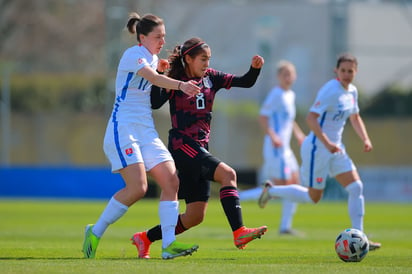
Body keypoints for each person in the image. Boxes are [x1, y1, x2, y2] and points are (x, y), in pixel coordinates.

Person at [130, 37, 268, 259]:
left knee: (194, 216)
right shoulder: (176, 80)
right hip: (182, 146)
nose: (206, 63)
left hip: (199, 149)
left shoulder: (211, 78)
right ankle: (239, 231)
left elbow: (246, 81)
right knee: (228, 174)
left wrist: (255, 69)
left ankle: (144, 238)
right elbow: (155, 103)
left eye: (208, 59)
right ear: (188, 58)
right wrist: (162, 74)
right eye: (202, 59)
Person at [82, 12, 202, 260]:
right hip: (123, 128)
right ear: (142, 37)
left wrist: (163, 72)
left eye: (164, 36)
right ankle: (95, 231)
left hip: (145, 129)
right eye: (158, 37)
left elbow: (155, 89)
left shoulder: (154, 59)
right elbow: (151, 77)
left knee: (171, 180)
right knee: (138, 188)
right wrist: (178, 84)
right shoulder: (133, 55)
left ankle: (168, 244)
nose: (162, 41)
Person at [258, 53, 381, 250]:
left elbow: (355, 117)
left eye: (351, 71)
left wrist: (365, 138)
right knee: (313, 197)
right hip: (318, 148)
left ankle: (360, 238)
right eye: (343, 71)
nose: (347, 74)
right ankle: (271, 191)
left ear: (355, 72)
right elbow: (310, 119)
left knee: (356, 187)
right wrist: (327, 143)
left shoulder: (352, 92)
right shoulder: (330, 90)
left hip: (336, 148)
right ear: (336, 71)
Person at [239, 60, 305, 236]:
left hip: (286, 149)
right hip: (275, 148)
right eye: (285, 75)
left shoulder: (290, 95)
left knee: (295, 184)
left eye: (291, 74)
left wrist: (298, 135)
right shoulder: (276, 94)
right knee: (280, 189)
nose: (288, 78)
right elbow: (263, 117)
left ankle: (285, 227)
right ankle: (237, 197)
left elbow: (289, 120)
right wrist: (273, 136)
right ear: (279, 77)